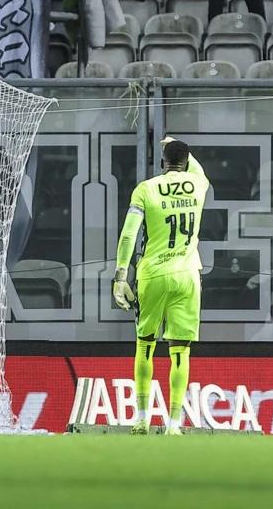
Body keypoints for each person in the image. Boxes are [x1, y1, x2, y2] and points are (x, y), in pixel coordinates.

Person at [112, 136, 209, 435]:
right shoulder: (198, 184)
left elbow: (129, 235)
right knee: (180, 351)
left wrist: (120, 277)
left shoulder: (146, 189)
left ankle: (142, 418)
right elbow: (197, 168)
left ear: (163, 163)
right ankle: (175, 424)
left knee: (146, 345)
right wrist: (178, 144)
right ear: (186, 159)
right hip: (187, 274)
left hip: (152, 275)